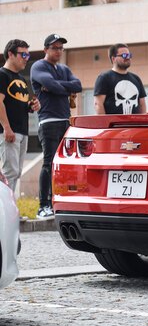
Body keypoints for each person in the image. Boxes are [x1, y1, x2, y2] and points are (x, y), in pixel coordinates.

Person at [30, 34, 82, 219]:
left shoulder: (64, 68)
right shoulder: (38, 66)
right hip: (49, 121)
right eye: (54, 48)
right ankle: (43, 207)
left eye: (61, 48)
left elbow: (78, 85)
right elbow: (51, 83)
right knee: (49, 163)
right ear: (46, 50)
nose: (58, 51)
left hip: (65, 121)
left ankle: (59, 203)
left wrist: (56, 87)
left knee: (64, 164)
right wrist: (59, 87)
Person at [0, 40, 41, 198]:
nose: (26, 58)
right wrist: (6, 128)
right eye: (23, 54)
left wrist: (32, 106)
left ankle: (11, 210)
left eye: (28, 55)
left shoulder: (21, 80)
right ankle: (6, 212)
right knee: (9, 172)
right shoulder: (2, 74)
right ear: (10, 54)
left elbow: (19, 105)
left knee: (16, 172)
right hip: (10, 132)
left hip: (22, 131)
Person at [94, 43, 147, 115]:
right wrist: (105, 124)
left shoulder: (136, 79)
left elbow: (142, 104)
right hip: (114, 125)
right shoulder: (104, 78)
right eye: (124, 55)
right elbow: (98, 104)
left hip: (135, 125)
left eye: (129, 55)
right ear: (113, 59)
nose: (128, 58)